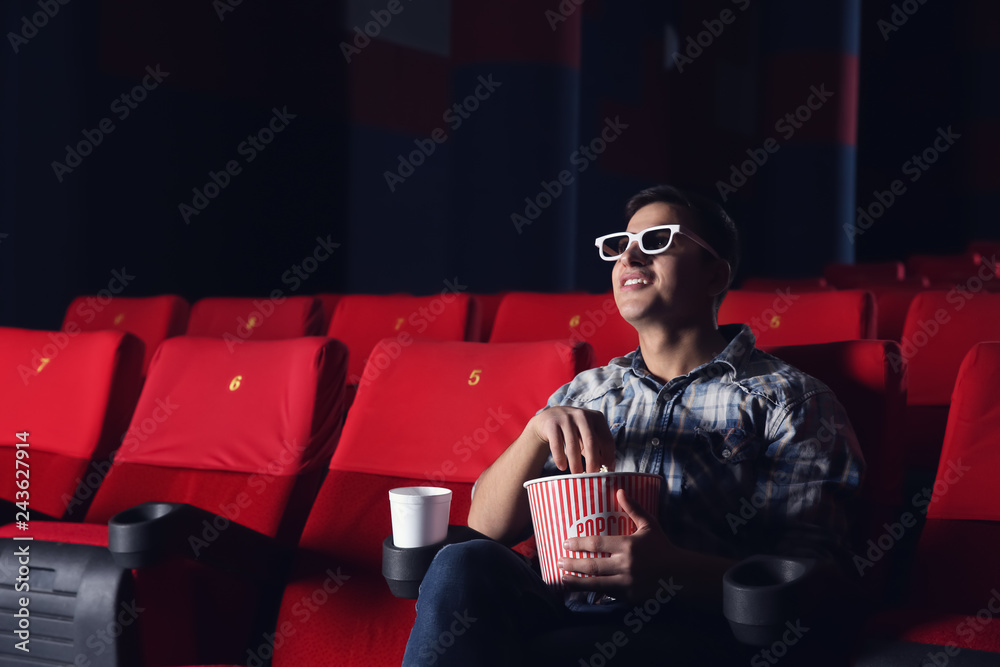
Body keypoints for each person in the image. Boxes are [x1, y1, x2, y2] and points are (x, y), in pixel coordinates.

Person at [401, 185, 865, 666]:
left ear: (715, 273)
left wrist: (674, 573)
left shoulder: (789, 399)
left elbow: (818, 579)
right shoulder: (587, 393)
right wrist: (534, 433)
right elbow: (485, 527)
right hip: (561, 608)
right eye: (620, 245)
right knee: (462, 560)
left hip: (693, 625)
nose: (630, 256)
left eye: (658, 240)